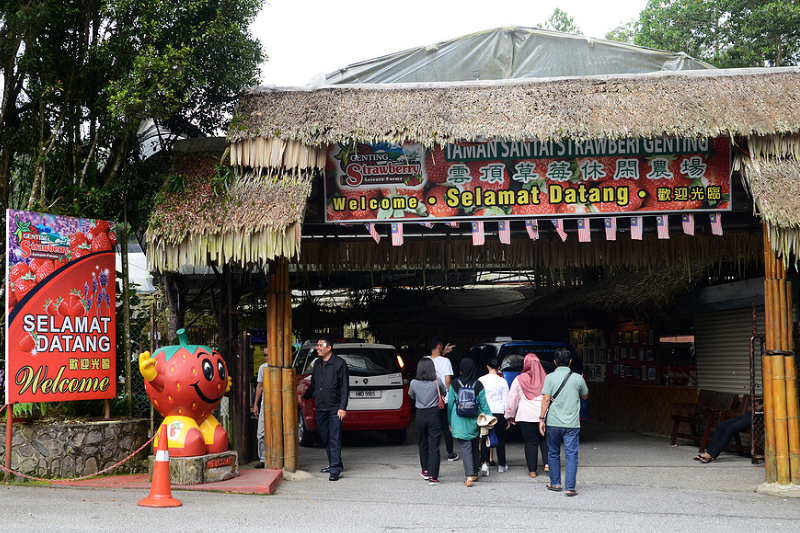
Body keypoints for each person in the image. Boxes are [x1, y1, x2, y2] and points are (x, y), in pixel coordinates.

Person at [539, 347, 588, 496]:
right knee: (571, 455)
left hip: (553, 422)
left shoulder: (549, 377)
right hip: (572, 424)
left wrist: (541, 419)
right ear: (570, 361)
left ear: (554, 362)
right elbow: (585, 396)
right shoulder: (578, 378)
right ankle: (570, 487)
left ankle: (554, 483)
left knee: (553, 452)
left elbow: (546, 399)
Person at [302, 335, 349, 481]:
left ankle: (334, 469)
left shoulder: (339, 364)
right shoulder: (316, 364)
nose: (318, 348)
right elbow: (314, 385)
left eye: (321, 345)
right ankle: (336, 462)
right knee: (325, 437)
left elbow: (345, 388)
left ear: (329, 348)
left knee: (335, 437)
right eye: (317, 345)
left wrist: (342, 407)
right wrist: (305, 396)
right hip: (321, 407)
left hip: (335, 407)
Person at [448, 358, 492, 487]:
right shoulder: (478, 385)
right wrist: (490, 419)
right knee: (474, 445)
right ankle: (474, 473)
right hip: (475, 421)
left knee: (465, 447)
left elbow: (450, 405)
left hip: (459, 421)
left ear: (461, 369)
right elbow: (484, 406)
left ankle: (469, 476)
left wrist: (449, 422)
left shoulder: (454, 384)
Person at [506, 353, 549, 478]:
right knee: (544, 440)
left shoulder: (519, 380)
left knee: (530, 442)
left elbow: (512, 399)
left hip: (526, 416)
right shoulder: (546, 379)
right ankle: (547, 464)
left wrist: (510, 415)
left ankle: (532, 471)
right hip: (543, 415)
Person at [408, 357, 447, 485]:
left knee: (422, 443)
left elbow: (412, 396)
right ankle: (433, 477)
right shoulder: (437, 381)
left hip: (420, 415)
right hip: (433, 414)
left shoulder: (413, 383)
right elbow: (444, 392)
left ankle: (425, 470)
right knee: (434, 446)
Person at [427, 336, 458, 462]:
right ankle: (450, 453)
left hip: (429, 399)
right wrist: (451, 396)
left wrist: (443, 353)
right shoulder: (446, 362)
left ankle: (432, 453)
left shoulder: (425, 360)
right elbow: (448, 381)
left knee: (433, 427)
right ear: (439, 346)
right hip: (443, 399)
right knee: (446, 426)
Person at [478, 357, 509, 476]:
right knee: (500, 440)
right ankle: (502, 465)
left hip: (485, 414)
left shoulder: (481, 380)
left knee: (485, 439)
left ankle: (484, 464)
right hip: (499, 413)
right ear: (499, 367)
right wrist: (507, 416)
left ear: (487, 366)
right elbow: (506, 401)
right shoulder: (502, 381)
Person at [252, 360, 269, 468]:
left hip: (280, 404)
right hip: (265, 403)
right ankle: (263, 459)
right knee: (261, 432)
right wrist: (256, 404)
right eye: (265, 355)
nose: (267, 357)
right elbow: (259, 386)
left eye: (268, 355)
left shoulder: (283, 366)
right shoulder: (263, 367)